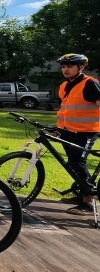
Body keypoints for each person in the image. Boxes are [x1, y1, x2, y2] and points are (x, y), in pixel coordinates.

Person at [55, 53, 100, 215]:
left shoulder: (90, 84)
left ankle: (88, 202)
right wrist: (58, 128)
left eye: (70, 66)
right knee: (72, 164)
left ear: (81, 67)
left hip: (86, 132)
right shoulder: (64, 85)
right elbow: (66, 110)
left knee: (78, 163)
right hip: (68, 131)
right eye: (63, 66)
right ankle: (82, 194)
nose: (65, 69)